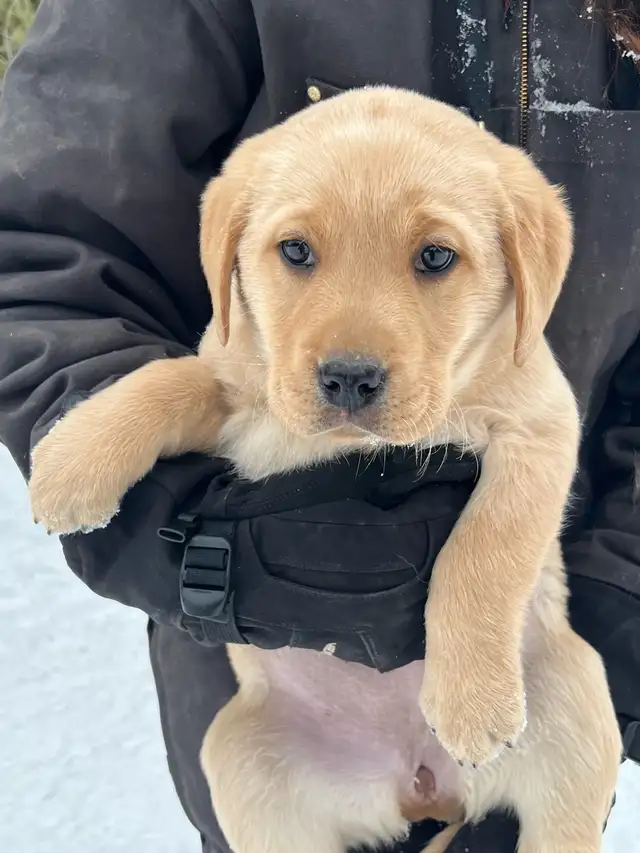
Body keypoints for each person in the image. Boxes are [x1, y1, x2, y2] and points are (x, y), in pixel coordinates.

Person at [0, 0, 639, 850]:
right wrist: (186, 535)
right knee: (245, 760)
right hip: (302, 723)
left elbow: (536, 434)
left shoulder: (509, 327)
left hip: (517, 700)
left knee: (576, 706)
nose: (350, 356)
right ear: (229, 248)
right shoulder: (249, 318)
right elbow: (50, 246)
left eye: (434, 259)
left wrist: (614, 604)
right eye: (296, 253)